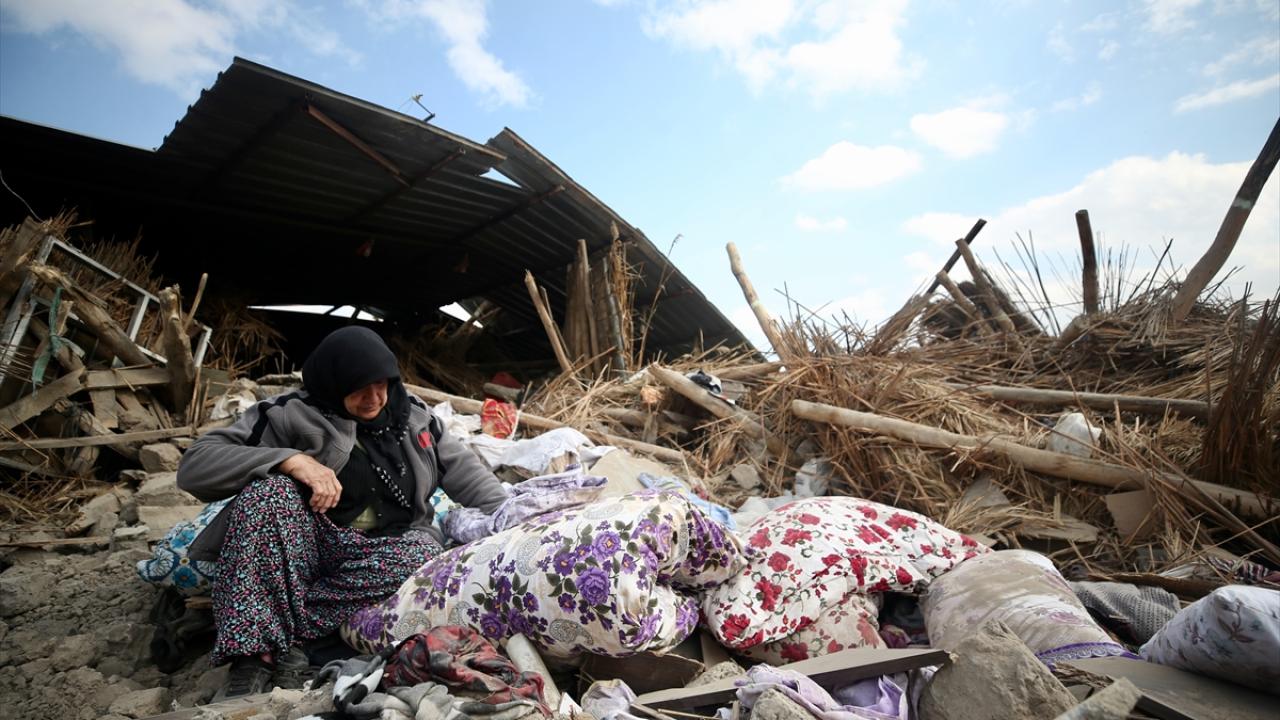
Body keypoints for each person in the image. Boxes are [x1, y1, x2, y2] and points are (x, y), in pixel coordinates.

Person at [177, 326, 509, 700]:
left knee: (424, 550)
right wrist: (289, 459)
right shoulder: (290, 414)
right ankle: (254, 655)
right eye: (358, 389)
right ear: (333, 383)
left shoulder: (415, 417)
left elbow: (466, 472)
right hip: (309, 545)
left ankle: (293, 632)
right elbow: (195, 466)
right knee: (268, 494)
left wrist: (509, 517)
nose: (373, 398)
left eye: (381, 384)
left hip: (380, 551)